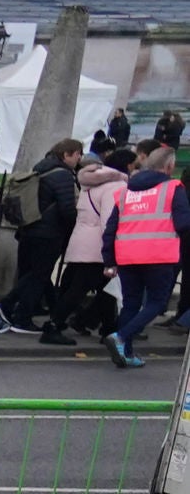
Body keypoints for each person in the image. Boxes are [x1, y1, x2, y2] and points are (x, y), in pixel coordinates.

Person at [105, 143, 178, 369]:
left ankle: (125, 353)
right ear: (168, 167)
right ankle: (121, 336)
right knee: (156, 302)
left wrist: (109, 259)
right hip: (159, 254)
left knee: (130, 304)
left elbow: (111, 227)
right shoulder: (173, 188)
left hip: (127, 255)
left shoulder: (126, 192)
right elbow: (184, 223)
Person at [3, 139, 81, 330]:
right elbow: (67, 208)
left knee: (32, 274)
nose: (79, 159)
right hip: (49, 232)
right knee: (38, 275)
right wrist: (73, 228)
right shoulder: (62, 175)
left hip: (30, 227)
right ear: (67, 155)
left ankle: (18, 309)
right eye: (78, 154)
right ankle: (17, 313)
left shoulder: (41, 168)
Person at [58, 152, 128, 350]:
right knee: (82, 289)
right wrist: (113, 249)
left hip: (83, 242)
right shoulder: (116, 186)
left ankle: (107, 328)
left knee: (105, 289)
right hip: (98, 247)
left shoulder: (89, 184)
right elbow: (109, 220)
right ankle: (54, 324)